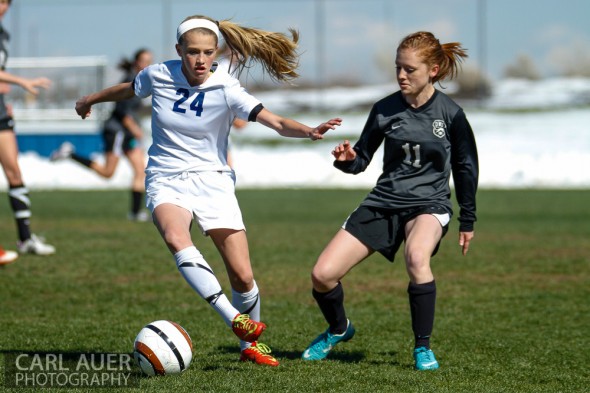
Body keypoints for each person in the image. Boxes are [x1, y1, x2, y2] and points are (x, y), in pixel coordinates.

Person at [74, 15, 341, 367]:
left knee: (243, 276)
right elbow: (128, 88)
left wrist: (307, 131)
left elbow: (274, 120)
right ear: (179, 51)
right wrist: (90, 99)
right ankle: (233, 317)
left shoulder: (227, 86)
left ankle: (250, 345)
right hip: (166, 175)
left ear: (216, 52)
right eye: (193, 52)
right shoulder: (158, 74)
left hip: (213, 179)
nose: (200, 60)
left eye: (208, 53)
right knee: (174, 235)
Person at [301, 31, 478, 371]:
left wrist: (467, 219)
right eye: (398, 68)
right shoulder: (384, 109)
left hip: (429, 205)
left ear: (434, 70)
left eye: (410, 69)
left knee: (416, 258)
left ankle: (422, 347)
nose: (401, 75)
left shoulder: (451, 114)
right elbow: (361, 160)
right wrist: (346, 159)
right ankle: (339, 329)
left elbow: (466, 166)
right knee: (322, 274)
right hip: (383, 202)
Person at [51, 49, 153, 222]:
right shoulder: (130, 80)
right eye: (144, 60)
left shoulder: (142, 80)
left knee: (140, 171)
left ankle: (135, 213)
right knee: (107, 173)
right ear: (136, 62)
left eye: (150, 60)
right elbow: (122, 111)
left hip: (127, 133)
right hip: (117, 131)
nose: (147, 64)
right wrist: (135, 128)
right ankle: (70, 153)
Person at [0, 0, 55, 255]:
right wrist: (22, 81)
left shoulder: (3, 34)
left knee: (14, 173)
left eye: (6, 3)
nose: (3, 7)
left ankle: (25, 239)